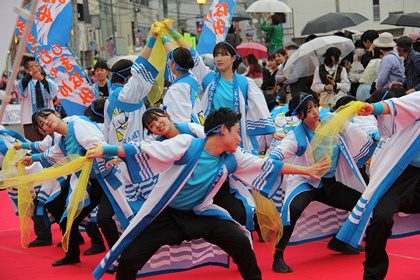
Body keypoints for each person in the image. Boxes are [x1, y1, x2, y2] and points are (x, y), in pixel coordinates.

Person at [87, 107, 330, 280]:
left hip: (202, 213)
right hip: (169, 215)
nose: (239, 137)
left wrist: (306, 169)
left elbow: (267, 165)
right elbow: (146, 148)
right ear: (222, 130)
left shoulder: (234, 157)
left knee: (241, 243)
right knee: (130, 259)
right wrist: (105, 150)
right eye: (236, 131)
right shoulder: (186, 144)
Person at [269, 93, 375, 273]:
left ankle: (341, 241)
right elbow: (282, 151)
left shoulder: (332, 120)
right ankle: (277, 256)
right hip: (306, 182)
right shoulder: (297, 136)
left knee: (363, 205)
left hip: (331, 182)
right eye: (308, 110)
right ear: (299, 116)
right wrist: (269, 158)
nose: (315, 112)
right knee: (292, 210)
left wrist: (376, 136)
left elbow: (357, 131)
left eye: (315, 107)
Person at [19, 108, 120, 266]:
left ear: (57, 114)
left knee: (104, 219)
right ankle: (72, 255)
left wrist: (110, 156)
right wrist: (32, 158)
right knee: (68, 219)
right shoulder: (60, 139)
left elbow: (97, 142)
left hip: (108, 177)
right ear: (43, 130)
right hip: (90, 182)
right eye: (41, 123)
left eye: (47, 117)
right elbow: (52, 154)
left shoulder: (78, 125)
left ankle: (118, 258)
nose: (46, 122)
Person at [336, 89, 420, 280]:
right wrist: (374, 107)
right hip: (402, 172)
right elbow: (399, 105)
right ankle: (373, 274)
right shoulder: (418, 100)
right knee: (380, 217)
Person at [103, 30, 158, 145]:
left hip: (116, 153)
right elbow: (140, 64)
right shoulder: (129, 94)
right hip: (136, 152)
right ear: (129, 77)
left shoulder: (109, 100)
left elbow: (107, 130)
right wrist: (152, 39)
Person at [161, 35, 204, 124]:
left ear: (174, 65)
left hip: (186, 133)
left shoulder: (176, 89)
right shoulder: (191, 77)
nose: (168, 62)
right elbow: (171, 53)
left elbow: (179, 121)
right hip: (199, 126)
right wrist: (164, 38)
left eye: (170, 60)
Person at [16, 57, 57, 142]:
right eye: (32, 67)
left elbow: (51, 94)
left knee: (50, 144)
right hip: (30, 120)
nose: (35, 68)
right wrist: (31, 75)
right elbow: (21, 91)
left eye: (37, 66)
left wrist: (41, 79)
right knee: (33, 145)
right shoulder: (24, 82)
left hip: (48, 119)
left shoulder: (48, 81)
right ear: (27, 70)